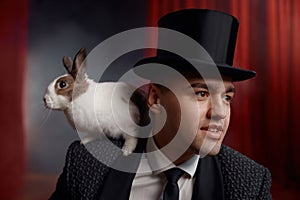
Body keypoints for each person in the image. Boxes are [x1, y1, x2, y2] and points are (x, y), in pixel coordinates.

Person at [50, 9, 272, 200]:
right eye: (202, 93)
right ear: (155, 98)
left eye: (227, 98)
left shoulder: (249, 182)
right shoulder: (88, 163)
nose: (220, 113)